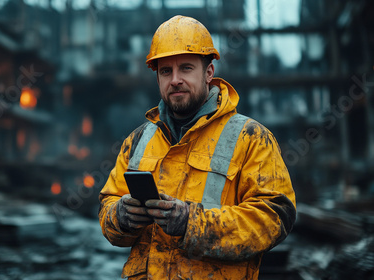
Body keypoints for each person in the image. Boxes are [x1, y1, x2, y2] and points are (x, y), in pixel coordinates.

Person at [99, 15, 296, 280]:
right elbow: (108, 207)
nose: (175, 79)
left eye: (187, 68)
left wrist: (192, 223)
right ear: (157, 77)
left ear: (209, 72)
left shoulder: (251, 138)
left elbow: (275, 216)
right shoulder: (138, 140)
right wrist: (120, 216)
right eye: (165, 71)